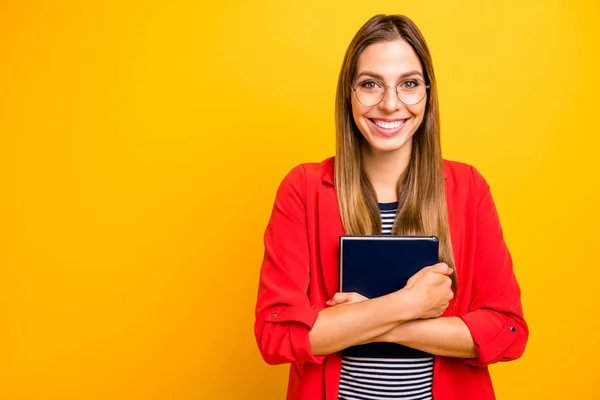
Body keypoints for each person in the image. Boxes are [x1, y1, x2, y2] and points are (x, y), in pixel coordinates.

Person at [254, 14, 528, 400]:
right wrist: (409, 303)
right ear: (348, 93)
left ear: (428, 93)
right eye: (370, 84)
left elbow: (507, 332)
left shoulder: (469, 188)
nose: (389, 104)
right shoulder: (303, 188)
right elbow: (276, 334)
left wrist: (372, 321)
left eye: (409, 84)